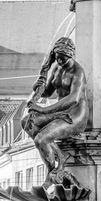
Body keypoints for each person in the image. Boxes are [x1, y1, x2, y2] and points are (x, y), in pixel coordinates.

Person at [21, 37, 90, 185]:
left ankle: (52, 172)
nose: (59, 61)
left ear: (70, 55)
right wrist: (38, 83)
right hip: (60, 113)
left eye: (62, 58)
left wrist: (43, 110)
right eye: (57, 57)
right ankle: (59, 156)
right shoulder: (57, 68)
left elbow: (73, 99)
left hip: (75, 115)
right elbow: (47, 92)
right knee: (27, 122)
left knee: (41, 139)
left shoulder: (78, 72)